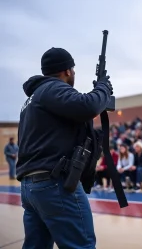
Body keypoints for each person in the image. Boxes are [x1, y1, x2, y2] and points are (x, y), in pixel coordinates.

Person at [16, 47, 113, 248]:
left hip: (31, 187)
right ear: (67, 70)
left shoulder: (31, 100)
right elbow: (87, 106)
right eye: (73, 69)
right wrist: (103, 87)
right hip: (54, 184)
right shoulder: (52, 88)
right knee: (81, 245)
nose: (74, 73)